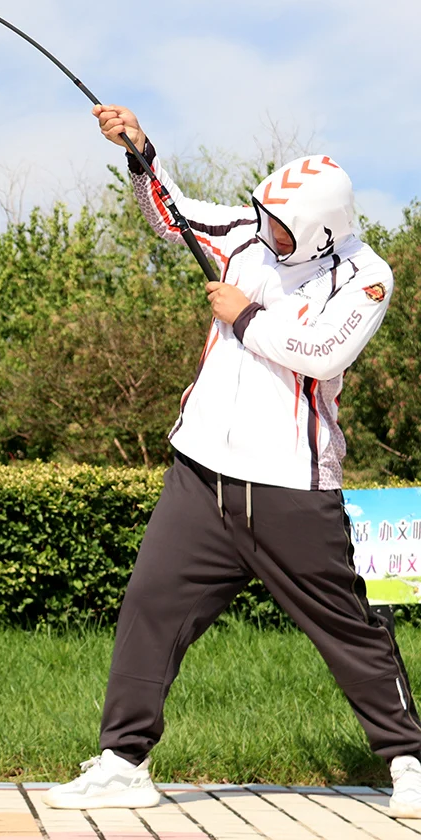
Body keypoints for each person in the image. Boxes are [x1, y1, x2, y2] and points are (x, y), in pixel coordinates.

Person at [43, 105, 421, 817]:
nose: (264, 230)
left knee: (349, 627)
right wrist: (142, 153)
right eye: (263, 214)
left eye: (280, 224)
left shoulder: (367, 276)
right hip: (200, 471)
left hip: (290, 488)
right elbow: (175, 216)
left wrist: (244, 314)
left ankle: (409, 762)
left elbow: (323, 351)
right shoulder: (248, 235)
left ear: (321, 230)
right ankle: (124, 762)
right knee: (150, 608)